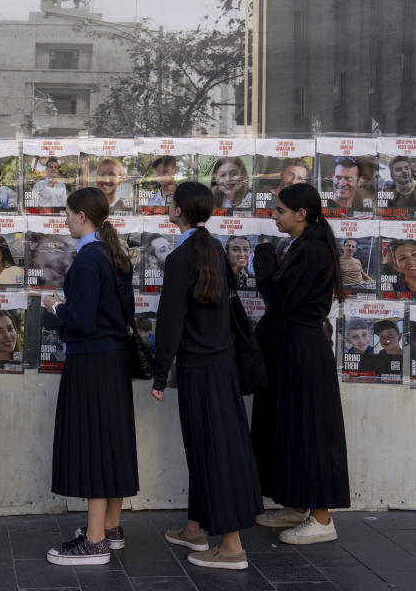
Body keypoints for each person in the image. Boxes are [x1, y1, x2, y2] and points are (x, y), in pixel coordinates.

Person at [150, 181, 263, 570]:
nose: (169, 206)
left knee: (215, 452)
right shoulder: (213, 246)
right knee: (206, 447)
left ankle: (231, 548)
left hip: (201, 370)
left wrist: (159, 375)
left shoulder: (184, 256)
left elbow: (169, 320)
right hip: (222, 364)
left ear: (179, 210)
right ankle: (196, 529)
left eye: (171, 202)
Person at [40, 186, 138, 566]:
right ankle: (110, 528)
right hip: (113, 361)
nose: (65, 220)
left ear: (82, 215)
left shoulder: (86, 260)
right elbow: (121, 314)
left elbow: (80, 321)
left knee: (94, 445)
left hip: (91, 361)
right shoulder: (115, 256)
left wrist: (54, 307)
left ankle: (94, 541)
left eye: (67, 213)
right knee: (111, 442)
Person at [251, 182, 349, 545]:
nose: (274, 216)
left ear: (301, 214)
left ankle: (321, 519)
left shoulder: (314, 251)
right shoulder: (303, 246)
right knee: (288, 428)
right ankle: (297, 505)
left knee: (308, 432)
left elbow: (281, 299)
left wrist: (263, 260)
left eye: (279, 211)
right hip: (289, 349)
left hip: (303, 353)